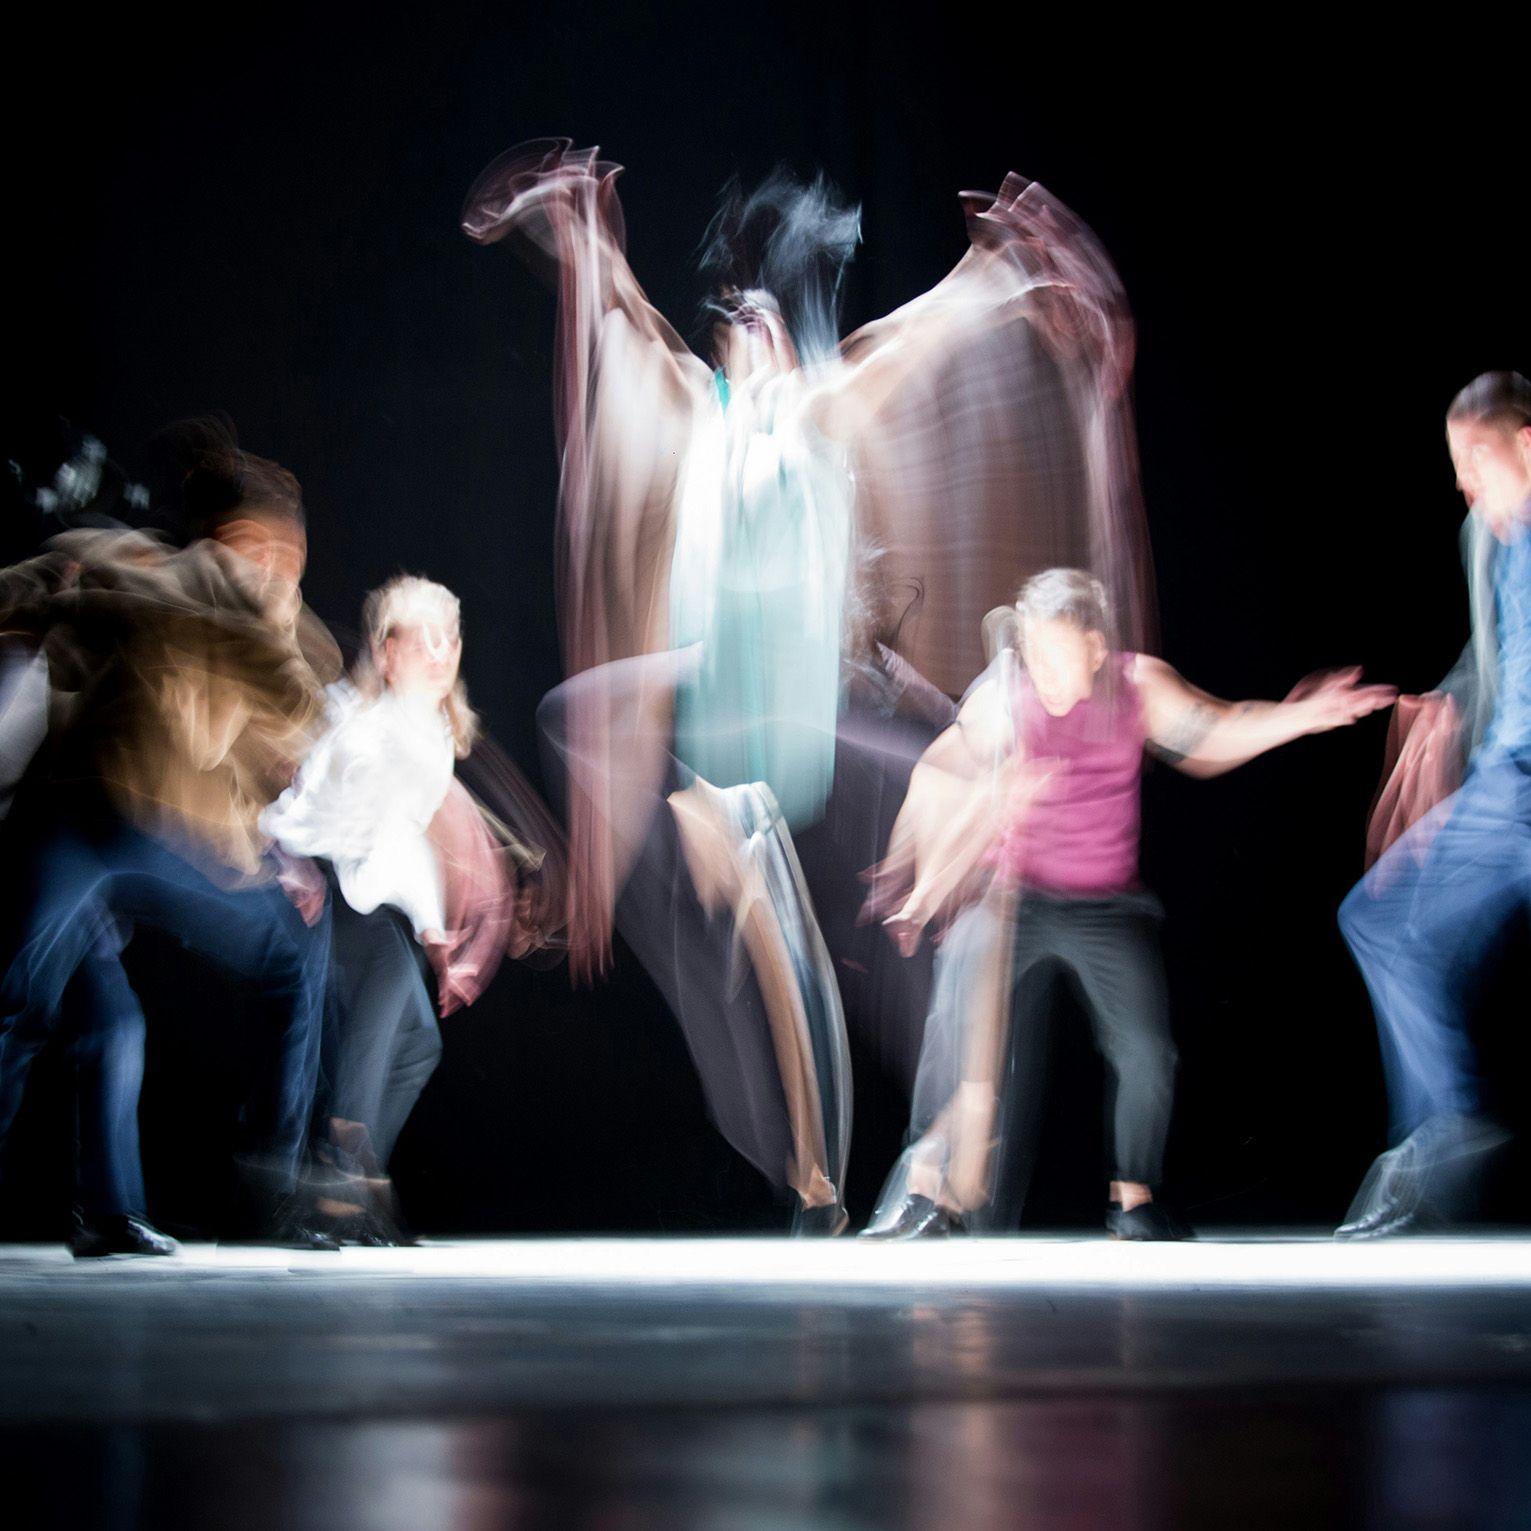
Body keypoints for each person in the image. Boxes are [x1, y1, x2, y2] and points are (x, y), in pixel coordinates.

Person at [465, 141, 1155, 1231]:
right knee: (721, 894)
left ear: (790, 341)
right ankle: (814, 1182)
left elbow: (912, 341)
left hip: (795, 712)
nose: (751, 344)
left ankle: (942, 1160)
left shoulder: (823, 405)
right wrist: (583, 233)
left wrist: (1004, 278)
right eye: (738, 335)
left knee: (943, 854)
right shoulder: (705, 404)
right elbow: (631, 328)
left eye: (767, 330)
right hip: (719, 728)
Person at [864, 568, 1392, 1240]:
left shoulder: (1136, 685)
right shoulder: (1008, 699)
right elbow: (941, 769)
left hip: (1103, 905)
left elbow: (1217, 729)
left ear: (1092, 648)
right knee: (965, 1039)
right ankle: (926, 1193)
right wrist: (917, 875)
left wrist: (1298, 717)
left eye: (1058, 658)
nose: (1045, 676)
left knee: (1144, 1050)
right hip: (1011, 899)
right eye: (1033, 657)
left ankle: (1132, 1198)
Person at [0, 432, 337, 1255]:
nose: (280, 575)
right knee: (41, 1005)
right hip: (106, 811)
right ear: (244, 542)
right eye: (274, 555)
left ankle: (130, 1209)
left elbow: (275, 730)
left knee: (96, 1014)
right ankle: (222, 1199)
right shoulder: (175, 571)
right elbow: (294, 699)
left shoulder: (201, 591)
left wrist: (276, 844)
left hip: (106, 823)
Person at [263, 575, 548, 1242]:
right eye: (423, 639)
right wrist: (430, 932)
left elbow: (404, 846)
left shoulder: (424, 729)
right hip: (329, 894)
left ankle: (354, 1185)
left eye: (450, 638)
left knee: (416, 1045)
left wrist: (436, 933)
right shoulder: (375, 729)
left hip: (360, 895)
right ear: (386, 652)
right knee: (390, 982)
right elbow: (357, 844)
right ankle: (337, 1179)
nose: (441, 651)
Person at [1337, 371, 1531, 1239]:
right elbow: (1494, 656)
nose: (1463, 484)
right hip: (1505, 789)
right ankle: (1441, 1134)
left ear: (1524, 445)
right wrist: (1447, 709)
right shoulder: (1482, 538)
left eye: (1475, 461)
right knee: (1380, 919)